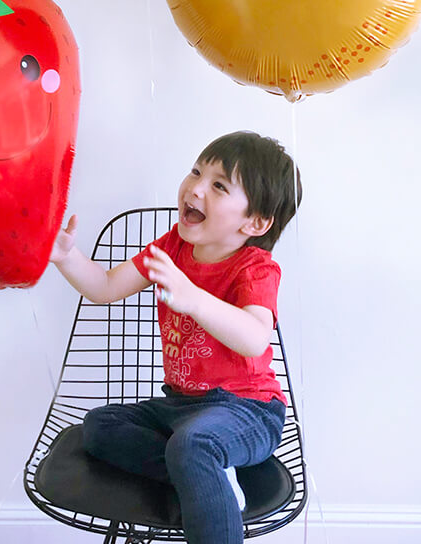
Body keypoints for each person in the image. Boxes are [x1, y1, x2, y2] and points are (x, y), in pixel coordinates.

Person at [49, 131, 301, 544]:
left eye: (219, 186)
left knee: (194, 443)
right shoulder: (170, 248)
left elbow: (255, 338)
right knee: (99, 426)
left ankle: (200, 467)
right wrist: (67, 257)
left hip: (249, 412)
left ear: (254, 222)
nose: (196, 188)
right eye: (196, 172)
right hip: (182, 407)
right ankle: (206, 477)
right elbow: (105, 288)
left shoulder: (255, 268)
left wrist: (194, 298)